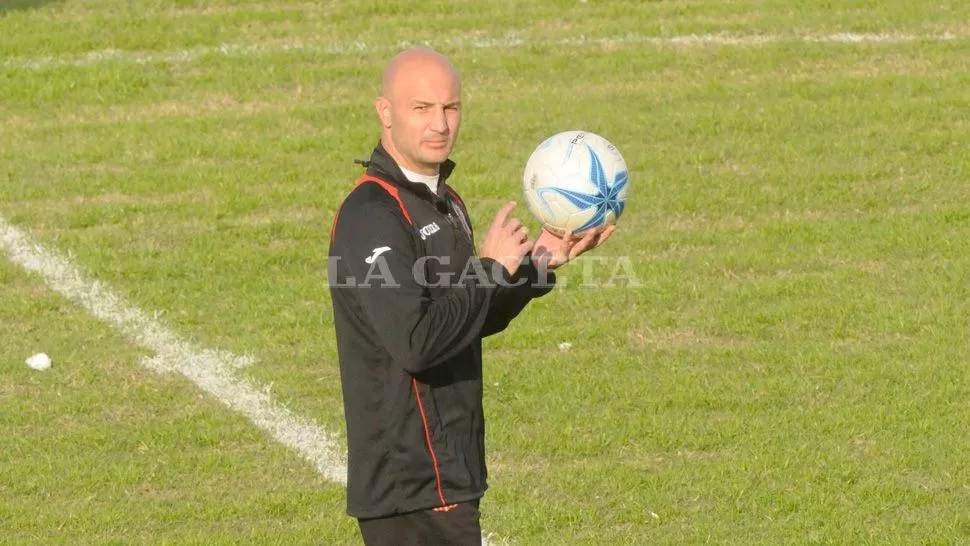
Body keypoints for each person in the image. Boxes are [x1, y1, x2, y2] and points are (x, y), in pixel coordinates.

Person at [328, 48, 615, 545]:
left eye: (450, 107)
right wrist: (486, 271)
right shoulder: (371, 215)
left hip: (448, 467)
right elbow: (416, 341)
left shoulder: (444, 202)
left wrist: (533, 267)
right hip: (411, 481)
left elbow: (465, 319)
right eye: (422, 108)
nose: (440, 124)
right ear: (386, 112)